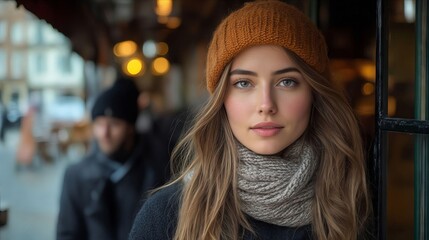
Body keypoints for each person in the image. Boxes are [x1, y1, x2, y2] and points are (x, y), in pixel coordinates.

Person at [129, 1, 373, 240]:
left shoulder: (352, 204)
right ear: (221, 99)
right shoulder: (165, 217)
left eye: (287, 81)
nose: (266, 104)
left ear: (313, 93)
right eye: (243, 83)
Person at [57, 77, 170, 240]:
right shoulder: (76, 176)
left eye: (114, 124)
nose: (104, 133)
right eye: (99, 124)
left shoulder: (156, 170)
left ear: (131, 127)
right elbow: (67, 234)